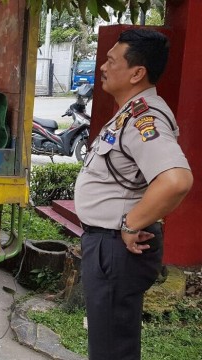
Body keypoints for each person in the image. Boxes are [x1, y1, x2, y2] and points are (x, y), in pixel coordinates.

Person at [74, 28, 193, 360]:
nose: (103, 66)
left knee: (113, 349)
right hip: (109, 245)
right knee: (109, 343)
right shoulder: (129, 112)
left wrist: (130, 224)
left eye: (112, 60)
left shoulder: (145, 118)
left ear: (137, 73)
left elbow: (176, 180)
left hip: (117, 247)